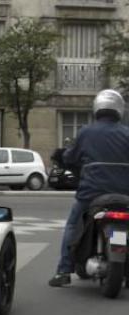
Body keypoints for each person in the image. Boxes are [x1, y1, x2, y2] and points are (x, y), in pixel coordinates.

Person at [49, 89, 129, 287]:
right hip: (123, 195)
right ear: (119, 109)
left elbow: (69, 157)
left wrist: (64, 156)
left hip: (91, 194)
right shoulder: (127, 133)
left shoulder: (86, 132)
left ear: (97, 108)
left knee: (72, 225)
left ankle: (63, 271)